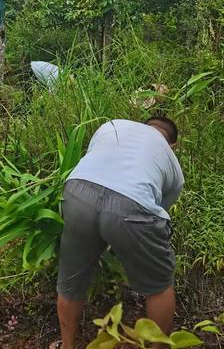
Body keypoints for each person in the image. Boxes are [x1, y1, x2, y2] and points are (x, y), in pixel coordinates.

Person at [55, 117, 184, 349]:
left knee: (70, 281)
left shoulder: (113, 125)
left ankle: (67, 345)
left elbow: (94, 158)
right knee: (160, 287)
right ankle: (156, 346)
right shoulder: (171, 158)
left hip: (78, 191)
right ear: (173, 146)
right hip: (132, 205)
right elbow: (157, 211)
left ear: (142, 124)